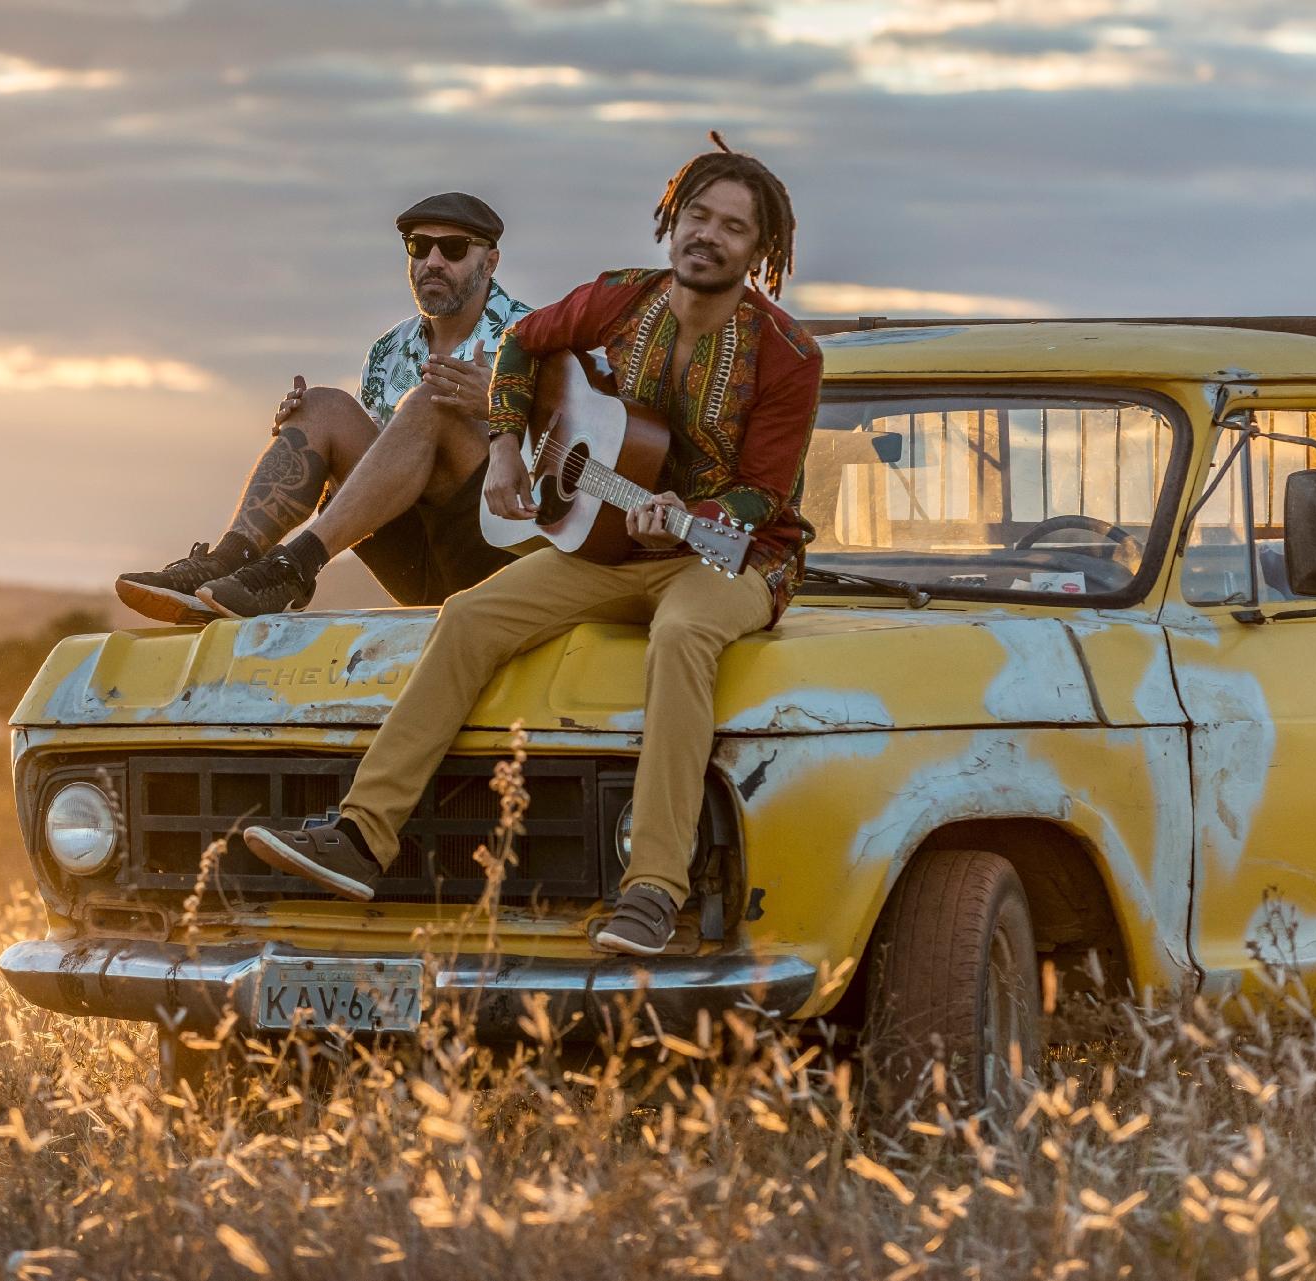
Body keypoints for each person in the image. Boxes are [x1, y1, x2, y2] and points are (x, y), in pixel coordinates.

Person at [242, 135, 822, 957]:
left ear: (759, 250)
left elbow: (764, 489)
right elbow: (521, 345)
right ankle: (362, 834)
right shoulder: (622, 297)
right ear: (672, 219)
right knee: (472, 614)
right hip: (613, 543)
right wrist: (508, 443)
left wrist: (689, 511)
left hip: (733, 556)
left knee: (685, 633)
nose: (708, 234)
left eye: (733, 227)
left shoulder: (792, 355)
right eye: (697, 214)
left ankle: (654, 887)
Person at [114, 192, 529, 623]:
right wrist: (307, 434)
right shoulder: (390, 349)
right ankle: (223, 566)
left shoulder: (534, 339)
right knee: (323, 406)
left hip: (499, 553)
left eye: (454, 248)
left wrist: (499, 407)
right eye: (419, 247)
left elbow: (578, 460)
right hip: (416, 562)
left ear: (491, 261)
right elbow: (382, 465)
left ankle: (294, 567)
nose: (434, 261)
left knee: (431, 399)